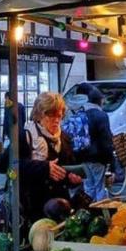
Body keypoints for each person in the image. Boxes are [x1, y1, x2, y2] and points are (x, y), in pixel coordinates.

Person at [17, 92, 82, 224]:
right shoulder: (26, 136)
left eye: (59, 116)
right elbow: (7, 167)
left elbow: (66, 169)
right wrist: (44, 168)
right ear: (39, 114)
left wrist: (71, 178)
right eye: (51, 115)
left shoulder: (64, 138)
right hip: (32, 211)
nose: (56, 120)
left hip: (60, 211)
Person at [67, 83, 114, 203]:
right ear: (99, 101)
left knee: (88, 187)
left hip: (82, 158)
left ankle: (89, 211)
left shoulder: (79, 113)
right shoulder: (101, 115)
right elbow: (106, 141)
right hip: (98, 158)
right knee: (100, 188)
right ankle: (102, 213)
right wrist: (111, 162)